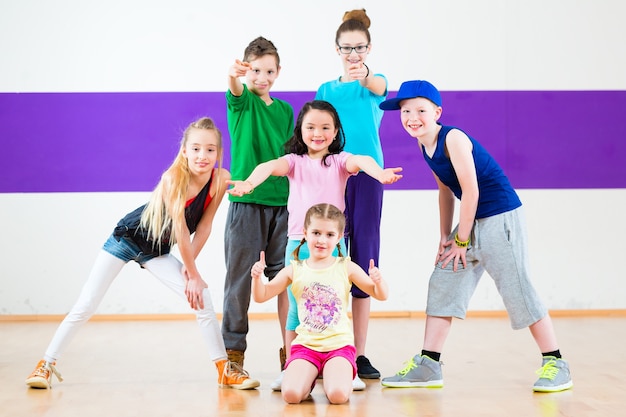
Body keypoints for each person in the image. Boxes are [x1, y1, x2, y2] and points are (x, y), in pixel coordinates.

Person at [25, 117, 259, 390]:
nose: (202, 155)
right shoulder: (174, 178)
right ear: (184, 150)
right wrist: (192, 273)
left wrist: (188, 268)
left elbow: (204, 226)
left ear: (219, 152)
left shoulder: (221, 178)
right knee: (86, 304)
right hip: (127, 238)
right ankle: (45, 364)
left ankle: (223, 370)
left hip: (156, 251)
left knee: (202, 298)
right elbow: (182, 231)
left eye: (210, 149)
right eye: (195, 148)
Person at [378, 80, 574, 393]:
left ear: (437, 112)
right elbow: (445, 189)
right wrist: (445, 235)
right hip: (473, 219)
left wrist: (461, 240)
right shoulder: (423, 142)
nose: (411, 117)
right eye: (405, 111)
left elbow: (471, 190)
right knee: (444, 278)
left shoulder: (452, 138)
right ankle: (429, 364)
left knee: (518, 289)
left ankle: (556, 363)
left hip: (500, 216)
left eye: (420, 110)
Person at [227, 100, 402, 391]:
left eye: (325, 128)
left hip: (335, 248)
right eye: (310, 127)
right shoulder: (294, 162)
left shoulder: (339, 161)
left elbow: (362, 160)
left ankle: (348, 365)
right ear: (301, 130)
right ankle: (291, 364)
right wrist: (249, 182)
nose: (317, 133)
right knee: (296, 310)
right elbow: (269, 166)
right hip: (298, 244)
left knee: (335, 307)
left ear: (335, 133)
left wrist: (379, 174)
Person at [251, 203, 389, 404]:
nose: (322, 240)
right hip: (306, 347)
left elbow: (380, 294)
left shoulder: (346, 266)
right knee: (290, 395)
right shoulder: (294, 269)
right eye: (316, 233)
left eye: (329, 235)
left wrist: (378, 280)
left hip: (339, 347)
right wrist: (256, 278)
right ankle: (307, 379)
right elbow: (261, 296)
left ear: (339, 237)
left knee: (338, 396)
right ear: (305, 233)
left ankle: (337, 376)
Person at [315, 8, 388, 380]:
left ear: (369, 48)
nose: (353, 54)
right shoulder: (326, 90)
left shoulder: (375, 84)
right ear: (337, 49)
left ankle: (359, 354)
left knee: (364, 259)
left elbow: (380, 87)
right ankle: (328, 346)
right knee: (330, 259)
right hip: (332, 176)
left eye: (360, 48)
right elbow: (318, 132)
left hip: (369, 178)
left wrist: (368, 76)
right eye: (347, 48)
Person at [223, 36, 294, 370]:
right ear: (246, 69)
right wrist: (233, 75)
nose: (261, 77)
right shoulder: (241, 102)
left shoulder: (285, 110)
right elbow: (234, 87)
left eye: (268, 71)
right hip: (246, 203)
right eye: (255, 70)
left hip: (284, 205)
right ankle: (233, 353)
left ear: (278, 72)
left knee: (287, 279)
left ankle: (292, 351)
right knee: (239, 280)